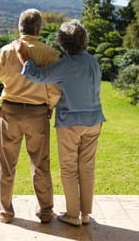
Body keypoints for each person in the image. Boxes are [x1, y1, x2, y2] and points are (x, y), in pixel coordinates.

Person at [14, 19, 106, 227]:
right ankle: (85, 214)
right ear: (84, 40)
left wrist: (23, 56)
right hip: (95, 121)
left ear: (63, 42)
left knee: (68, 168)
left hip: (71, 123)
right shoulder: (93, 61)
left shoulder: (66, 64)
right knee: (87, 167)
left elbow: (36, 75)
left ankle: (73, 214)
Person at [0, 8, 62, 224]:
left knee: (6, 164)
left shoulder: (7, 51)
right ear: (38, 29)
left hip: (10, 112)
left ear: (19, 28)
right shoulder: (49, 54)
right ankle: (45, 211)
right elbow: (56, 89)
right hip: (38, 114)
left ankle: (5, 211)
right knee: (41, 164)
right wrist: (50, 106)